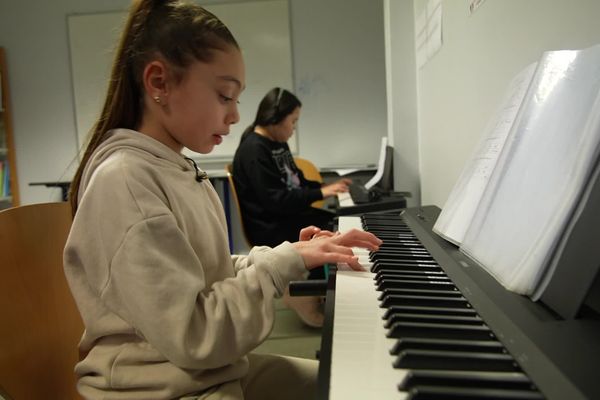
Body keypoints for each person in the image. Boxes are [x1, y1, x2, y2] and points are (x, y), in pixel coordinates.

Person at [63, 1, 382, 399]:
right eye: (224, 96)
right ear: (159, 83)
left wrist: (291, 253)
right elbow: (195, 335)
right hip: (160, 387)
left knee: (357, 384)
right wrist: (281, 265)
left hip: (201, 371)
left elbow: (203, 271)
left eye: (237, 99)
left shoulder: (172, 168)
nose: (234, 116)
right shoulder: (126, 182)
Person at [232, 88, 352, 248]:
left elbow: (298, 182)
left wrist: (326, 187)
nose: (294, 128)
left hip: (288, 217)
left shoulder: (279, 143)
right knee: (337, 229)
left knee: (340, 221)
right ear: (276, 118)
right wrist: (320, 193)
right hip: (272, 229)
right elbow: (276, 201)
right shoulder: (254, 150)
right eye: (293, 121)